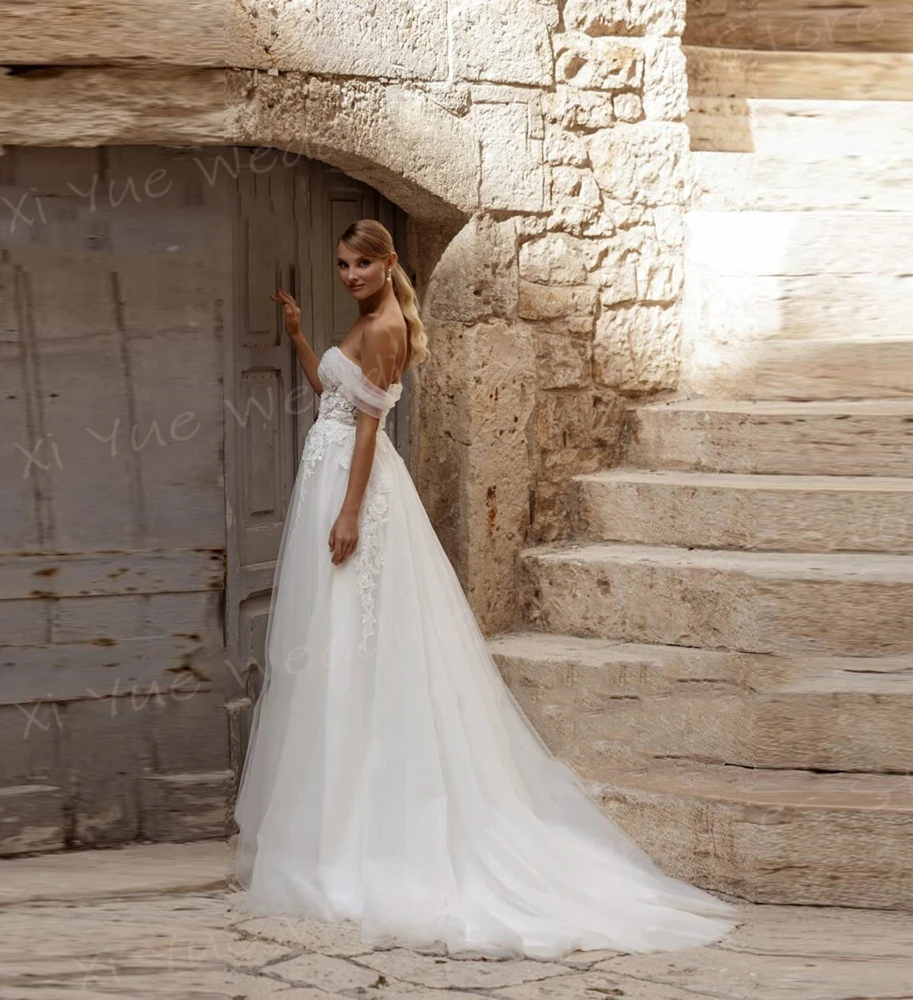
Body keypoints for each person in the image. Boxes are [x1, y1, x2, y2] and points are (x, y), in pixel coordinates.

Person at [232, 218, 741, 960]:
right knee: (337, 645)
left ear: (387, 263)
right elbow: (334, 397)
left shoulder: (387, 328)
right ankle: (334, 822)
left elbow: (370, 433)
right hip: (334, 473)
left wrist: (348, 514)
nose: (349, 275)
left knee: (359, 643)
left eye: (360, 265)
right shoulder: (366, 321)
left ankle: (363, 835)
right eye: (341, 264)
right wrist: (303, 336)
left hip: (357, 494)